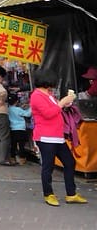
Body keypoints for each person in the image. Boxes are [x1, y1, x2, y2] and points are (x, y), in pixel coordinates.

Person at [30, 68, 88, 206]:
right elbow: (48, 113)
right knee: (48, 167)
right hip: (46, 137)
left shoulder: (49, 94)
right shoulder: (37, 95)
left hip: (57, 136)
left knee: (69, 162)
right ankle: (48, 194)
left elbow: (56, 110)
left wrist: (64, 104)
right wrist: (62, 102)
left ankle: (71, 193)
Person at [7, 92, 32, 164]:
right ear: (17, 101)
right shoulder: (18, 109)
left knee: (13, 145)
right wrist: (31, 107)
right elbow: (27, 114)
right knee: (21, 145)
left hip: (12, 129)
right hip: (20, 129)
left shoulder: (8, 109)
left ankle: (12, 158)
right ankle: (22, 159)